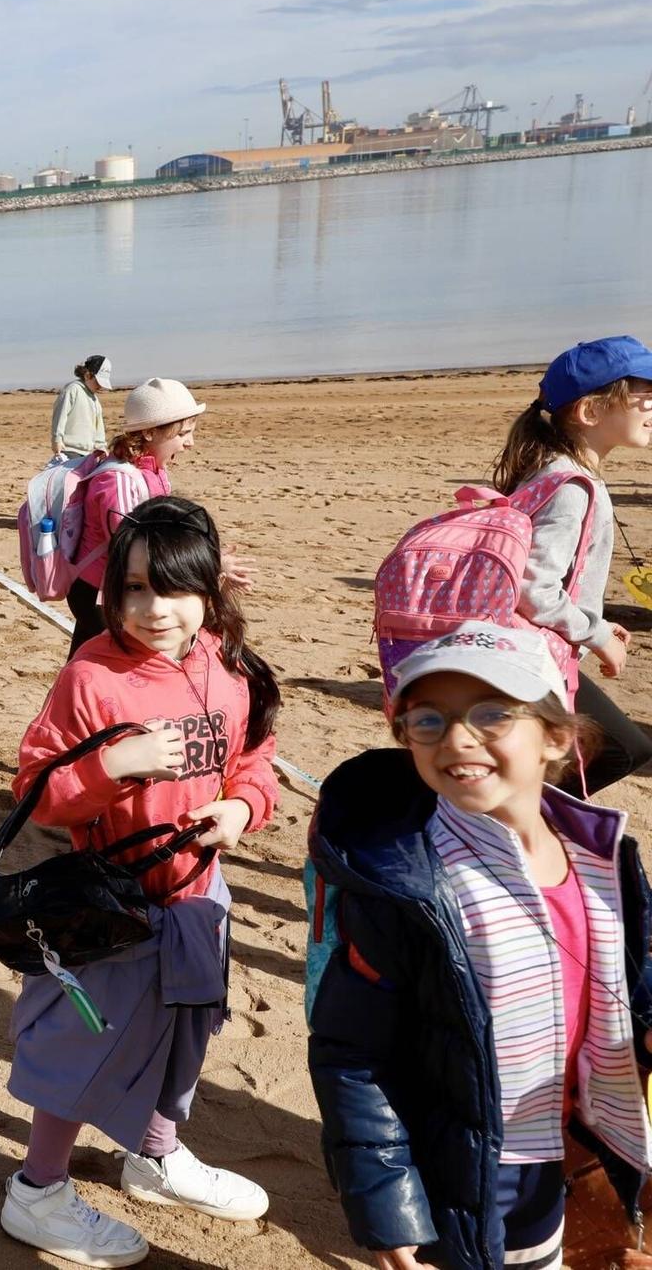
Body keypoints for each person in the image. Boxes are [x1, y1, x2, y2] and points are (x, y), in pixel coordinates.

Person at [309, 621, 652, 1270]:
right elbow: (352, 1055)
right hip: (469, 1160)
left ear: (559, 735)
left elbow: (629, 970)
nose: (458, 737)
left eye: (492, 712)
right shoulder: (410, 889)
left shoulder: (601, 854)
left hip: (569, 1143)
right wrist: (386, 1203)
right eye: (428, 719)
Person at [0, 496, 279, 1266]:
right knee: (81, 1045)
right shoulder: (91, 675)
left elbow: (255, 759)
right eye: (132, 589)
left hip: (199, 895)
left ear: (209, 591)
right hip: (109, 903)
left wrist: (240, 807)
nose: (154, 609)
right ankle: (38, 1187)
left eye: (174, 589)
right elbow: (35, 789)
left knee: (187, 1027)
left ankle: (156, 1153)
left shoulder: (226, 666)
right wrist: (110, 767)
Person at [489, 335, 652, 797]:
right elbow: (532, 588)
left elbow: (558, 579)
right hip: (533, 655)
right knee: (621, 749)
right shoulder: (570, 485)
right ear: (590, 412)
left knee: (552, 764)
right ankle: (488, 835)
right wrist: (596, 636)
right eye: (643, 390)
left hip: (534, 650)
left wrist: (598, 622)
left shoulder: (557, 469)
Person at [68, 377, 210, 657]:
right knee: (114, 663)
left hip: (118, 586)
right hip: (100, 593)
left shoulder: (152, 471)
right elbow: (131, 546)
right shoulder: (118, 480)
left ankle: (66, 698)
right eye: (183, 434)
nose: (190, 443)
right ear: (149, 433)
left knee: (85, 657)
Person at [54, 354, 113, 459]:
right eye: (98, 382)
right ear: (87, 375)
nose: (100, 386)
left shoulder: (94, 400)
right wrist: (57, 439)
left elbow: (98, 426)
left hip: (88, 454)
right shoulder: (73, 390)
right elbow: (60, 416)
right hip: (69, 450)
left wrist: (101, 447)